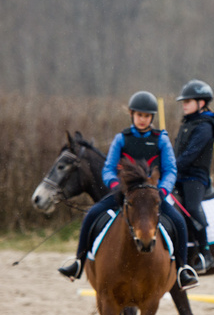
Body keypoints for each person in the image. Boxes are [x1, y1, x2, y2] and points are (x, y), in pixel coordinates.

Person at [58, 91, 199, 290]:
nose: (143, 119)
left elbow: (170, 170)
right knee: (91, 215)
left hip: (153, 196)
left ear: (152, 118)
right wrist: (116, 186)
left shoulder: (161, 139)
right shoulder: (121, 139)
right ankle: (78, 263)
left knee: (178, 222)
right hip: (125, 194)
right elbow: (108, 169)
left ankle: (182, 270)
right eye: (139, 115)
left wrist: (163, 191)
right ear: (132, 114)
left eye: (147, 116)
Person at [174, 79, 214, 273]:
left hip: (195, 177)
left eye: (188, 101)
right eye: (183, 102)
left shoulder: (205, 126)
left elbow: (191, 154)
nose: (184, 105)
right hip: (179, 174)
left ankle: (206, 253)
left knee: (192, 207)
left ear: (201, 103)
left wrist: (172, 168)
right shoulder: (187, 123)